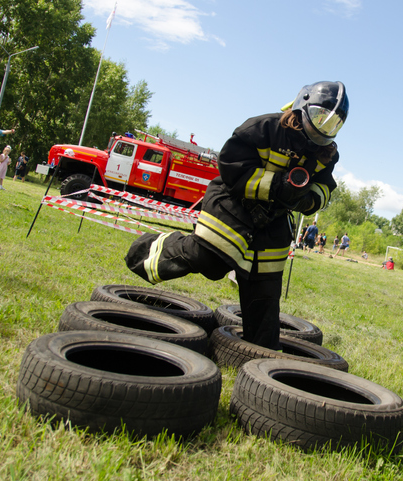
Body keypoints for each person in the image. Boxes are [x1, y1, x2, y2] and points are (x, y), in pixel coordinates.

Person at [125, 81, 349, 349]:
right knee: (209, 259)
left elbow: (324, 189)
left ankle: (260, 351)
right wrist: (279, 186)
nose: (324, 125)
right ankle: (148, 250)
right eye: (320, 115)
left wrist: (305, 199)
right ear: (302, 105)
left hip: (273, 221)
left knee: (264, 289)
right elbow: (232, 168)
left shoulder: (326, 153)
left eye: (333, 122)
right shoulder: (263, 128)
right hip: (234, 203)